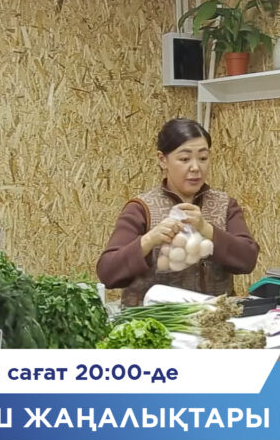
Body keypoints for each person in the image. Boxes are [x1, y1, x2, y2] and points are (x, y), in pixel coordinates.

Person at [97, 118, 259, 306]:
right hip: (156, 320)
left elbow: (247, 260)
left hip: (216, 319)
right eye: (184, 159)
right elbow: (108, 272)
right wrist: (149, 240)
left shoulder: (224, 204)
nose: (196, 168)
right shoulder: (141, 208)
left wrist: (206, 229)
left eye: (203, 158)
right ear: (162, 160)